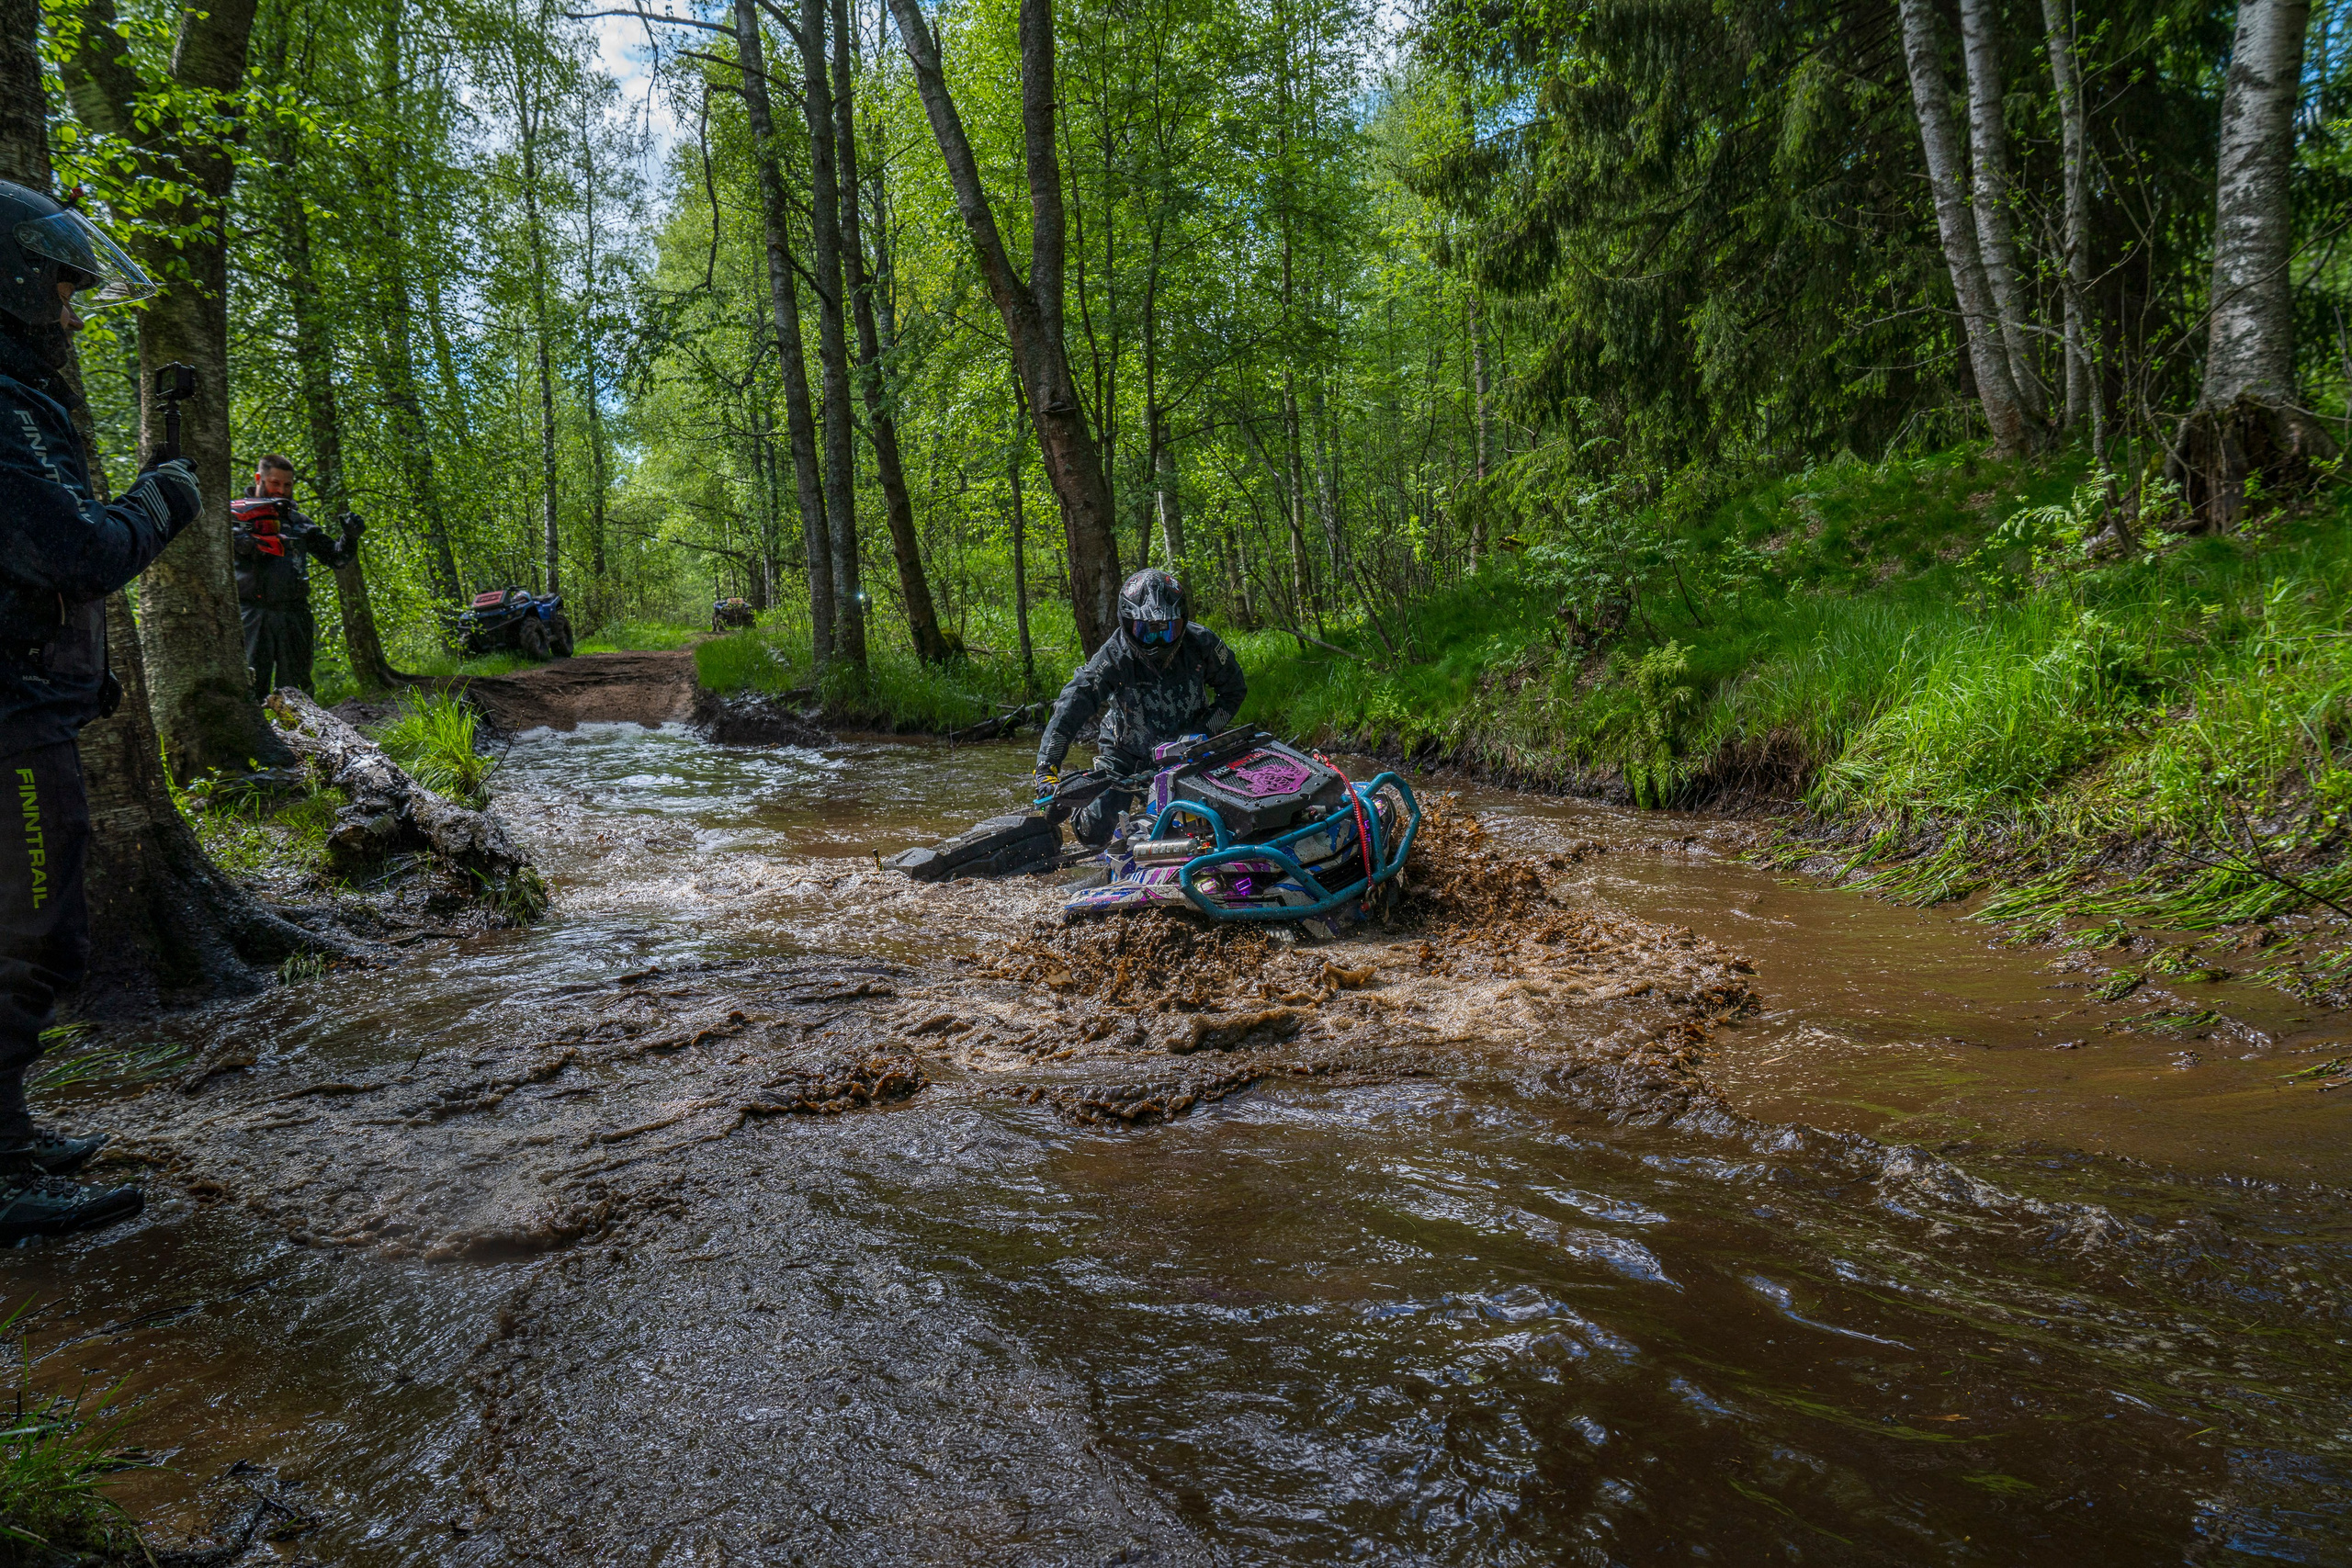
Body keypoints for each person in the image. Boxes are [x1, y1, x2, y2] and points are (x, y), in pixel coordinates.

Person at [0, 180, 204, 1241]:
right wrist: (161, 500)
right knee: (29, 935)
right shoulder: (3, 401)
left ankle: (9, 1135)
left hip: (29, 704)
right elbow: (77, 551)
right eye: (62, 291)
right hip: (11, 716)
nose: (72, 317)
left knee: (34, 930)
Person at [1034, 568, 1247, 845]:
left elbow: (1234, 691)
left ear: (1182, 621)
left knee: (1211, 826)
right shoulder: (1113, 656)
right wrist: (1046, 769)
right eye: (1146, 632)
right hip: (1125, 757)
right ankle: (1077, 804)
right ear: (1127, 623)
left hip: (1188, 751)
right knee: (1094, 835)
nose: (1157, 643)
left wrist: (1204, 731)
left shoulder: (1203, 643)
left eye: (1168, 630)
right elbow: (1070, 707)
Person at [233, 455, 360, 698]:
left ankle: (304, 725)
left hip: (294, 614)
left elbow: (337, 558)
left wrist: (350, 537)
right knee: (250, 687)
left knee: (298, 688)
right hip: (252, 614)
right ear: (259, 479)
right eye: (275, 483)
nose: (281, 490)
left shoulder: (299, 522)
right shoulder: (234, 517)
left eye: (287, 485)